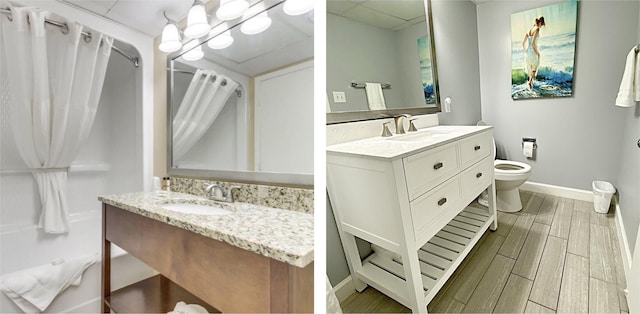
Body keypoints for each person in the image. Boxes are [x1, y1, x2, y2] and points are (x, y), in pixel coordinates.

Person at [522, 16, 545, 89]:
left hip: (527, 53)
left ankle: (531, 85)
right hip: (533, 52)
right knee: (534, 68)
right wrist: (537, 53)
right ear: (540, 23)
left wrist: (526, 51)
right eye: (542, 25)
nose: (541, 27)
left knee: (530, 69)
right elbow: (533, 43)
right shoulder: (537, 29)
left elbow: (523, 43)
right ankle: (530, 82)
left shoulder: (528, 30)